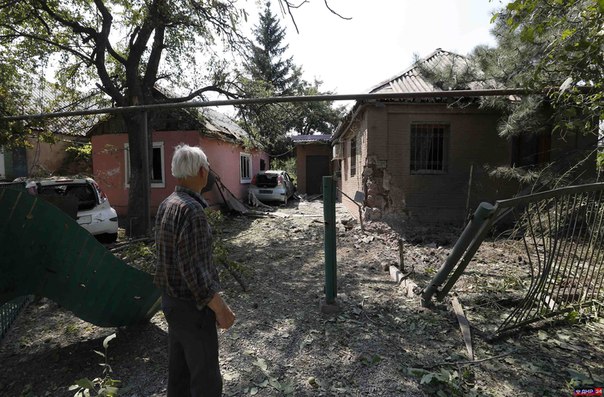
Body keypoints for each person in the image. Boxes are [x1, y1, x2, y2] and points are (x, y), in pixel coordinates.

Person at [154, 143, 235, 397]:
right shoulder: (193, 211)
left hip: (170, 303)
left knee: (179, 375)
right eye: (208, 167)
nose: (210, 172)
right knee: (206, 380)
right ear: (201, 171)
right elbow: (195, 273)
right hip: (193, 310)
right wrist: (222, 310)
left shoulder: (167, 203)